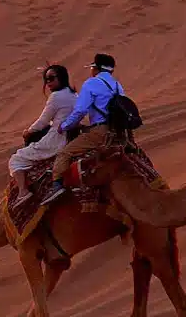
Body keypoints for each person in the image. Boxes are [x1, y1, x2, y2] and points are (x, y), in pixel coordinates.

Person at [40, 53, 124, 206]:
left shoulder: (91, 84)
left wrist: (64, 126)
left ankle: (57, 185)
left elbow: (80, 111)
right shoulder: (118, 86)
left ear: (96, 69)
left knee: (65, 153)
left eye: (92, 68)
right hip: (118, 133)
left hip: (100, 132)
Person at [8, 64, 77, 204]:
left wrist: (28, 132)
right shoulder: (74, 94)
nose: (48, 83)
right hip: (71, 138)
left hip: (56, 140)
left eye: (51, 78)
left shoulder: (56, 96)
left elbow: (43, 122)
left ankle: (23, 192)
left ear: (61, 78)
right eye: (46, 80)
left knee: (16, 159)